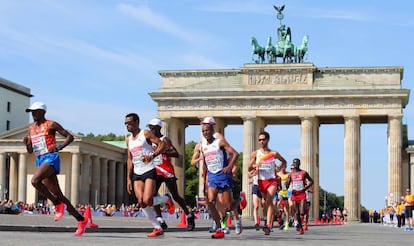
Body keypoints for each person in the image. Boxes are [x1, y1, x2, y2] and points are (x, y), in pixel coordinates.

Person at [23, 102, 88, 236]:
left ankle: (57, 204)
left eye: (35, 111)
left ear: (43, 112)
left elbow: (69, 136)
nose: (33, 114)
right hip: (40, 159)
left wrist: (59, 147)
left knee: (35, 181)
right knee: (58, 194)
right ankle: (81, 220)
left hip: (50, 158)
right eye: (31, 112)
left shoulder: (51, 124)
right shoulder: (31, 128)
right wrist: (27, 144)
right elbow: (30, 151)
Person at [125, 113, 175, 237]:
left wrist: (152, 155)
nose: (127, 126)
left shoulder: (145, 133)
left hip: (148, 170)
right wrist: (128, 178)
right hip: (137, 173)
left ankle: (166, 199)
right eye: (126, 124)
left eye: (130, 123)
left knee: (147, 200)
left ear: (137, 122)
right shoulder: (128, 139)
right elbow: (130, 159)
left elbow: (162, 144)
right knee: (141, 202)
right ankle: (157, 227)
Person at [191, 117, 243, 235]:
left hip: (223, 175)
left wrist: (230, 167)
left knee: (228, 207)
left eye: (207, 130)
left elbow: (235, 153)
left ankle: (241, 199)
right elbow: (204, 161)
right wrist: (204, 175)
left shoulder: (219, 142)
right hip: (212, 176)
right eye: (203, 131)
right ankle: (219, 228)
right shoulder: (202, 145)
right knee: (210, 201)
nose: (205, 133)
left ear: (212, 130)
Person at [147, 118, 195, 231]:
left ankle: (189, 215)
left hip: (167, 171)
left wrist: (162, 150)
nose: (150, 130)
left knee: (176, 196)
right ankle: (160, 219)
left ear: (158, 128)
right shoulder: (149, 140)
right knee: (152, 196)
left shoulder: (165, 140)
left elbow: (175, 153)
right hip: (155, 170)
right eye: (149, 127)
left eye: (152, 128)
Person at [248, 131, 286, 235]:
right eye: (259, 140)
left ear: (268, 140)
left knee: (269, 201)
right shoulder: (256, 153)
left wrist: (279, 168)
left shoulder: (273, 153)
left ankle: (268, 225)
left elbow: (284, 161)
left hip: (272, 181)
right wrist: (255, 166)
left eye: (263, 139)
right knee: (264, 203)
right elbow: (249, 167)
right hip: (261, 181)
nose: (261, 141)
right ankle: (268, 220)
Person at [289, 158, 314, 235]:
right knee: (297, 213)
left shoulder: (304, 173)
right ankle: (300, 228)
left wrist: (305, 188)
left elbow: (311, 181)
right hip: (294, 194)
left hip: (302, 194)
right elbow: (288, 183)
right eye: (294, 163)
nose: (295, 164)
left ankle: (301, 222)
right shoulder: (291, 174)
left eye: (297, 163)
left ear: (299, 164)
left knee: (302, 212)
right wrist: (286, 185)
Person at [277, 163, 291, 231]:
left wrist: (288, 183)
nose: (283, 168)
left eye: (284, 167)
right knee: (278, 203)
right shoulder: (278, 174)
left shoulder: (288, 174)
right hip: (280, 191)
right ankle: (280, 213)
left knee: (286, 209)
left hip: (286, 192)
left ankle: (287, 223)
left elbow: (290, 182)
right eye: (282, 167)